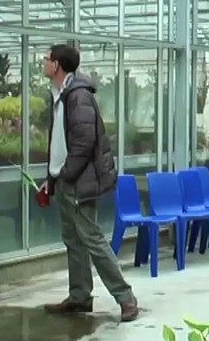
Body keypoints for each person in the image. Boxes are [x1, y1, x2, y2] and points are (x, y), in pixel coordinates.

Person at [39, 44, 140, 323]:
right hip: (64, 179)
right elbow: (59, 144)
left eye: (46, 59)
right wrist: (52, 179)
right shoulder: (60, 95)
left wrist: (66, 175)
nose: (43, 63)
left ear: (57, 65)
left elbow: (83, 144)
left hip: (77, 181)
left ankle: (126, 298)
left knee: (92, 239)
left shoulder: (78, 96)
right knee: (73, 239)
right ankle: (80, 296)